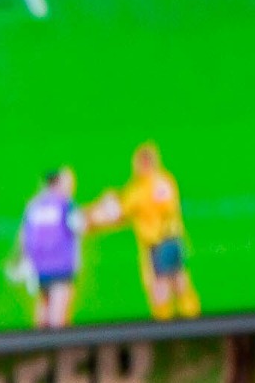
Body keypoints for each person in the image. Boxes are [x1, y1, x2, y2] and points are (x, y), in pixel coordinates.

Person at [104, 140, 196, 318]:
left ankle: (165, 323)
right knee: (178, 279)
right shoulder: (164, 180)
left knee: (160, 285)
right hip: (172, 238)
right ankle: (191, 315)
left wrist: (110, 204)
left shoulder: (142, 188)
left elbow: (123, 210)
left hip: (158, 242)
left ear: (143, 163)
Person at [12, 164, 89, 332]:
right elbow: (80, 226)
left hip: (40, 267)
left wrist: (19, 262)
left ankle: (38, 351)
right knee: (58, 320)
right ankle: (58, 353)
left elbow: (23, 236)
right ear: (59, 182)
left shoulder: (34, 205)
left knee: (43, 312)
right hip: (61, 267)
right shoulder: (65, 204)